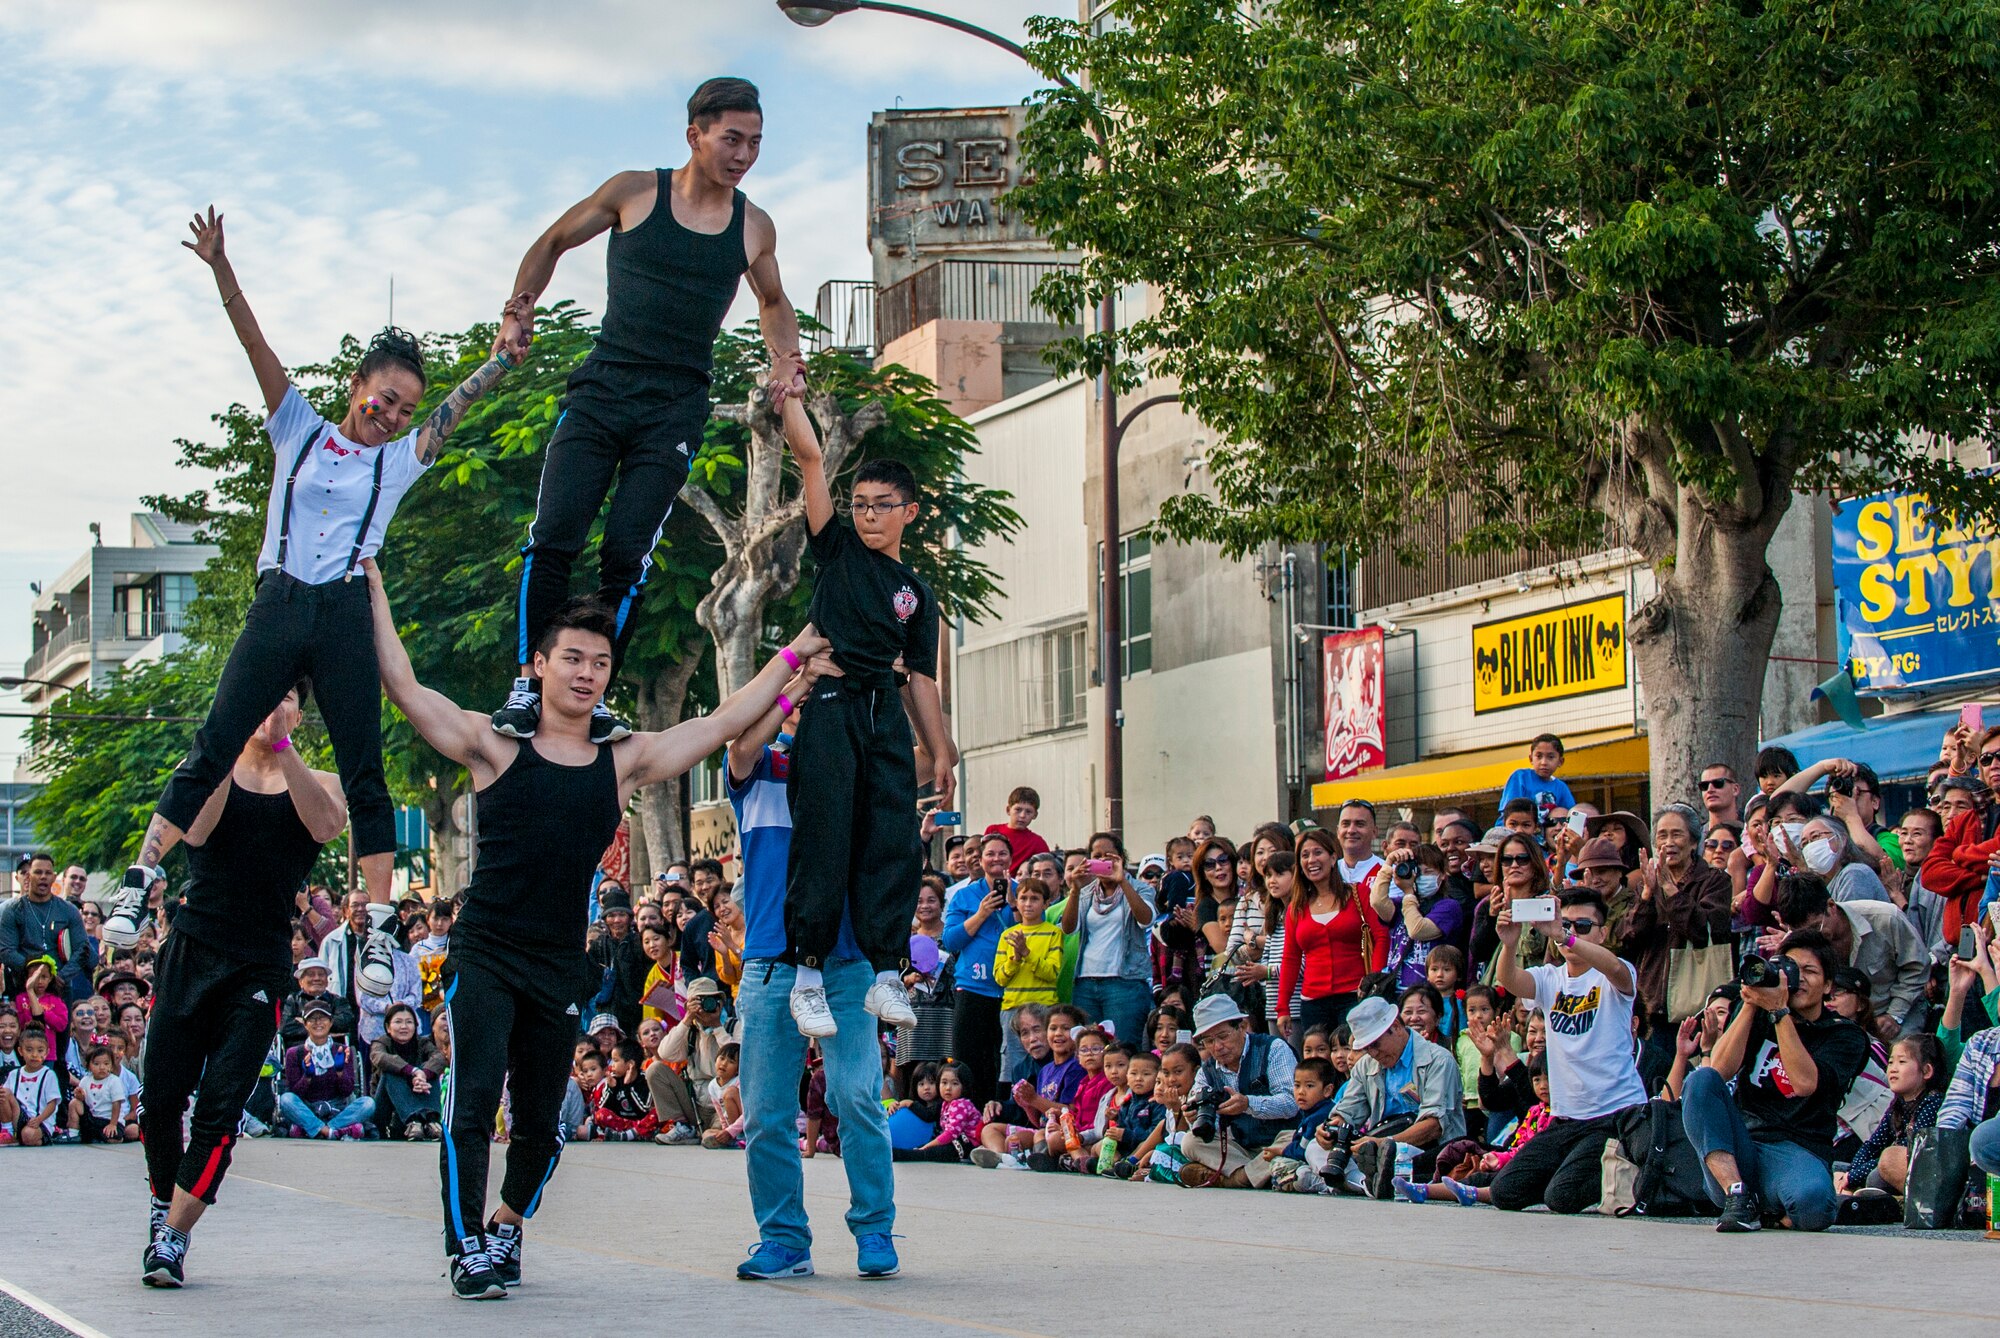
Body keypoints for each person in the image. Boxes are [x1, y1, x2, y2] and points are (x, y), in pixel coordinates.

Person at [366, 558, 828, 1298]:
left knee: (544, 1132)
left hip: (558, 965)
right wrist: (377, 593)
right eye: (572, 658)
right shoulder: (494, 745)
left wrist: (796, 654)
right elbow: (406, 688)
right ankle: (466, 1248)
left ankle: (506, 1224)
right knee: (475, 1100)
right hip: (484, 952)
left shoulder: (621, 760)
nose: (586, 673)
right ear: (540, 665)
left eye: (599, 663)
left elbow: (719, 723)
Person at [105, 211, 515, 937]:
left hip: (343, 611)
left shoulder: (395, 463)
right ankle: (143, 875)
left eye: (404, 409)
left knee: (364, 763)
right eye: (383, 399)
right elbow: (255, 344)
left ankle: (382, 918)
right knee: (217, 739)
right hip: (280, 602)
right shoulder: (298, 427)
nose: (391, 416)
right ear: (356, 385)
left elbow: (458, 409)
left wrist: (498, 361)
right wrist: (221, 268)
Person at [491, 77, 803, 742]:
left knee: (627, 553)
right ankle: (527, 682)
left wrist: (786, 362)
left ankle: (595, 693)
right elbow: (551, 241)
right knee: (554, 537)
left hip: (673, 409)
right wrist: (519, 310)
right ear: (694, 135)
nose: (744, 154)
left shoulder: (753, 226)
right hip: (602, 392)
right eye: (731, 139)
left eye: (755, 142)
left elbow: (773, 301)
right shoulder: (634, 192)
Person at [137, 682, 346, 1288]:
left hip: (258, 962)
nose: (270, 704)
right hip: (192, 948)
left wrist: (281, 746)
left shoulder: (320, 780)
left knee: (222, 1109)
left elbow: (328, 825)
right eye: (261, 692)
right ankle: (162, 1203)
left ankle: (173, 1237)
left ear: (300, 712)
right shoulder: (207, 767)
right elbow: (195, 832)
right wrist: (227, 741)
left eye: (283, 695)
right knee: (161, 1099)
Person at [776, 388, 956, 1039]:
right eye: (862, 506)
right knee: (824, 837)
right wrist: (792, 400)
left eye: (884, 506)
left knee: (894, 842)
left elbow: (923, 680)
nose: (870, 516)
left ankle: (887, 974)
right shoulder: (840, 551)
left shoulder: (918, 593)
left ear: (910, 511)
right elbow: (811, 462)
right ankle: (806, 979)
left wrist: (940, 752)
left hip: (885, 713)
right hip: (830, 700)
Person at [1681, 928, 1870, 1231]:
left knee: (1815, 1207)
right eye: (1792, 969)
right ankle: (1737, 1195)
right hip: (1745, 1144)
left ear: (1828, 985)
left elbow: (1804, 1083)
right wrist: (1752, 1004)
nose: (1799, 979)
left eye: (1810, 971)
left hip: (1799, 1148)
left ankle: (1766, 1211)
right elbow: (1719, 1070)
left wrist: (1779, 1011)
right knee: (1700, 1080)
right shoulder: (1758, 1013)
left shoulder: (1844, 1035)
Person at [1489, 887, 1649, 1213]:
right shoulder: (1550, 978)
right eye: (1568, 924)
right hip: (1565, 1119)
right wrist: (1508, 943)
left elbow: (1617, 971)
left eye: (1584, 926)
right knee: (1505, 1192)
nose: (1574, 932)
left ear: (1604, 933)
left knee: (1561, 1198)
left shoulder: (1614, 972)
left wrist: (1564, 935)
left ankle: (1634, 1166)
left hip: (1615, 1116)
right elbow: (1510, 979)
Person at [1616, 804, 1733, 1088]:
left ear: (1694, 842)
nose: (1668, 843)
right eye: (1662, 835)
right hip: (1653, 1007)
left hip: (1694, 1008)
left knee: (1691, 1087)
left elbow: (1701, 931)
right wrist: (1647, 894)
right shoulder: (1647, 882)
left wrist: (1670, 891)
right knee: (1655, 1088)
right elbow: (1627, 939)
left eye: (1677, 835)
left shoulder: (1715, 881)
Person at [1314, 994, 1465, 1198]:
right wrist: (1331, 1129)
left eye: (1375, 1044)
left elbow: (1433, 1127)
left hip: (1428, 1150)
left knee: (1397, 1157)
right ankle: (1367, 1182)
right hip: (1378, 1148)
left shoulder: (1439, 1061)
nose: (1372, 1053)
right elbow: (1347, 1112)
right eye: (1366, 1047)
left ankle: (1365, 1181)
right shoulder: (1365, 1066)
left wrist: (1387, 1143)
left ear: (1395, 1026)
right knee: (1316, 1147)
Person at [1773, 872, 1929, 1041]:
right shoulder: (1795, 943)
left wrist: (1895, 1014)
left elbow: (1918, 967)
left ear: (1831, 906)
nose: (1811, 937)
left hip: (1894, 1010)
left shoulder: (1886, 919)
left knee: (1903, 1058)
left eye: (1816, 927)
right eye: (1801, 932)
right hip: (1832, 1024)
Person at [1173, 995, 1300, 1188]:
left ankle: (1236, 1179)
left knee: (1297, 1139)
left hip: (1279, 1140)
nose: (1217, 1047)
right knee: (1190, 1142)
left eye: (1223, 1036)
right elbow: (1210, 1130)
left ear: (1242, 1027)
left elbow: (1292, 1103)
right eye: (1208, 1041)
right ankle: (1258, 1175)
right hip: (1242, 1149)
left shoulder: (1273, 1049)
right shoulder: (1206, 1072)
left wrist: (1248, 1104)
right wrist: (1195, 1117)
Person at [1277, 827, 1383, 1036]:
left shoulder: (1358, 893)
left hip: (1355, 997)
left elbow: (1380, 936)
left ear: (1333, 857)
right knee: (1320, 1063)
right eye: (1305, 855)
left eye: (1318, 853)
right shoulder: (1296, 908)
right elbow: (1291, 958)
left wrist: (1373, 982)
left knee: (1353, 1060)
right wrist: (1282, 1007)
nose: (1311, 860)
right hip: (1313, 1003)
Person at [943, 834, 1017, 1105]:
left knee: (1004, 1061)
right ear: (980, 860)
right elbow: (951, 941)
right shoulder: (964, 896)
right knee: (968, 1060)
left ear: (1011, 858)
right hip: (973, 987)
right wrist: (981, 913)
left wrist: (1013, 904)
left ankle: (1000, 1118)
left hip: (1010, 991)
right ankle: (966, 1117)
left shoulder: (1022, 891)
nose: (996, 859)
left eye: (1002, 854)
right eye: (990, 854)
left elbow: (1034, 930)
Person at [1061, 835, 1155, 1046]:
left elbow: (1146, 919)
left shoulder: (1140, 888)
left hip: (1125, 983)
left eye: (1108, 856)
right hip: (1086, 982)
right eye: (1096, 857)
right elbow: (1069, 928)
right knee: (1088, 1050)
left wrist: (1122, 880)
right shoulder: (1085, 893)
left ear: (1120, 858)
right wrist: (1074, 890)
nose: (1102, 861)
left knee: (1121, 1049)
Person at [1838, 1033, 1945, 1196]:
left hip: (1917, 1171)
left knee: (1879, 1172)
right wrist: (1851, 1173)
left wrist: (1854, 1176)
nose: (1893, 1069)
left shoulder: (1932, 1103)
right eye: (1890, 1062)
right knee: (1836, 1170)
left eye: (1902, 1062)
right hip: (1885, 1167)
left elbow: (1912, 1152)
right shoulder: (1898, 1105)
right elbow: (1872, 1145)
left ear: (1927, 1071)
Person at [1, 853, 94, 1000]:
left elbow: (82, 949)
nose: (43, 876)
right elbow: (6, 951)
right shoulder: (12, 910)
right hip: (23, 987)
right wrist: (35, 973)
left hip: (60, 988)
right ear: (27, 876)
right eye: (38, 872)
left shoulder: (69, 910)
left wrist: (59, 978)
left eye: (48, 873)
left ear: (54, 877)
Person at [278, 1000, 376, 1139]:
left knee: (368, 1103)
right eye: (312, 1019)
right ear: (305, 1024)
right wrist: (307, 1076)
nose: (318, 1023)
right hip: (309, 1107)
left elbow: (347, 1091)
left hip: (336, 1108)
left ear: (330, 1022)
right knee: (286, 1100)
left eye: (322, 1018)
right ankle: (334, 1131)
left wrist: (340, 1072)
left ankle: (319, 1129)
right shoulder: (294, 1053)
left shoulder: (342, 1050)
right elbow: (295, 1093)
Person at [371, 1002, 445, 1141]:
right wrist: (413, 1071)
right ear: (388, 1027)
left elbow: (439, 1058)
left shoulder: (422, 1043)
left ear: (416, 1026)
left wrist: (423, 1074)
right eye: (398, 1022)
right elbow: (379, 1057)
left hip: (419, 1101)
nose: (404, 1027)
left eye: (409, 1022)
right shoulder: (381, 1042)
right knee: (390, 1071)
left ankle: (432, 1121)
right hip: (387, 1108)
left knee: (430, 1069)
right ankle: (413, 1121)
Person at [589, 885, 648, 1036]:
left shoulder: (641, 943)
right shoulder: (598, 946)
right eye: (611, 915)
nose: (616, 920)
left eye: (621, 914)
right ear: (605, 919)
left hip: (638, 1013)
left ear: (629, 917)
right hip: (606, 1015)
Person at [69, 1044, 138, 1143]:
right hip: (92, 1118)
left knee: (111, 1138)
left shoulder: (114, 1081)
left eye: (106, 1064)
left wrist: (113, 1124)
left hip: (109, 1119)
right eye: (96, 1064)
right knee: (74, 1103)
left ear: (111, 1065)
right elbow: (82, 1099)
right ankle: (73, 1134)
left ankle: (117, 1137)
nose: (102, 1067)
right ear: (88, 1066)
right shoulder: (85, 1080)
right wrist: (79, 1096)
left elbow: (116, 1104)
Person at [1499, 733, 1575, 824]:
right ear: (1531, 759)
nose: (1544, 762)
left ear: (1560, 761)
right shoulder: (1520, 778)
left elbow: (1571, 816)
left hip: (1544, 837)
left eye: (1550, 757)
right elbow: (1509, 812)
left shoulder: (1561, 788)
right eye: (1539, 756)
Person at [282, 957, 357, 1047]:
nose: (316, 978)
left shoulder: (338, 1001)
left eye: (321, 974)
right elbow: (284, 1027)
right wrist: (324, 1027)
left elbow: (346, 1023)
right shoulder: (292, 1000)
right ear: (301, 981)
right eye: (311, 975)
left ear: (327, 981)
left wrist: (305, 1022)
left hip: (334, 1049)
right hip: (299, 1048)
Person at [4, 1027, 60, 1146]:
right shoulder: (14, 1074)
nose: (34, 1055)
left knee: (28, 1135)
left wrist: (39, 1119)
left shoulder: (48, 1075)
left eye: (40, 1051)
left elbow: (52, 1103)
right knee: (4, 1093)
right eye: (29, 1050)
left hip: (40, 1121)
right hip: (19, 1116)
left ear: (46, 1052)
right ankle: (8, 1132)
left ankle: (41, 1138)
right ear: (20, 1051)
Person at [985, 785, 1050, 873]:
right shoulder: (993, 831)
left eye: (1028, 811)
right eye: (1018, 810)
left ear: (1035, 815)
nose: (1022, 815)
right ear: (1008, 810)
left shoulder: (1037, 842)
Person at [1699, 761, 1744, 828]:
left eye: (1718, 783)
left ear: (1735, 789)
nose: (1710, 790)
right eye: (1704, 786)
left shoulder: (1751, 833)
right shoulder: (1695, 837)